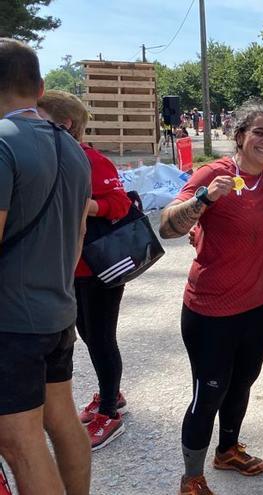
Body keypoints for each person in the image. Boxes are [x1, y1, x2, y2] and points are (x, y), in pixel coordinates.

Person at [159, 102, 263, 495]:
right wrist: (204, 200)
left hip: (255, 309)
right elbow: (167, 226)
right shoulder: (213, 174)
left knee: (243, 383)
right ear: (240, 135)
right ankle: (191, 478)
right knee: (209, 390)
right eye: (259, 132)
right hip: (210, 310)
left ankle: (227, 450)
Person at [0, 38, 93, 495]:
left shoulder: (2, 144)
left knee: (19, 440)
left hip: (12, 320)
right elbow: (77, 235)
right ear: (39, 87)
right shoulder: (73, 147)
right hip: (58, 309)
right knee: (61, 418)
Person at [37, 90, 133, 452]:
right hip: (69, 269)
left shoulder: (90, 160)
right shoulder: (50, 159)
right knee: (89, 336)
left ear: (65, 124)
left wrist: (85, 204)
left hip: (99, 268)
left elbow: (120, 204)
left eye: (40, 118)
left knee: (102, 337)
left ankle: (110, 412)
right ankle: (112, 393)